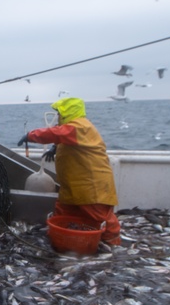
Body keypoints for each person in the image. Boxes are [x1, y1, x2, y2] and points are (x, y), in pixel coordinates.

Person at [18, 96, 122, 245]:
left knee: (100, 216)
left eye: (60, 113)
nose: (58, 116)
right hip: (74, 186)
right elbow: (64, 138)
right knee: (64, 215)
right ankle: (66, 241)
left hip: (91, 186)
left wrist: (30, 136)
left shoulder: (80, 126)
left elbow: (56, 133)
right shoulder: (74, 128)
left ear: (68, 112)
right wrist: (55, 147)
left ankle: (113, 246)